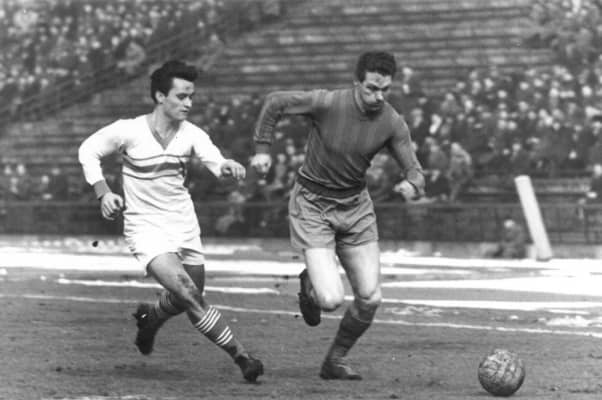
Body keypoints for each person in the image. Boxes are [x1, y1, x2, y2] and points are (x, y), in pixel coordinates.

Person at [78, 60, 263, 383]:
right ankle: (243, 357)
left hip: (183, 223)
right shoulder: (129, 130)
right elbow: (88, 150)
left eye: (191, 97)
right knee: (189, 293)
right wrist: (103, 192)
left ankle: (151, 318)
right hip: (145, 228)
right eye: (181, 96)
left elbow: (215, 160)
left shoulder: (192, 134)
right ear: (160, 96)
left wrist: (227, 167)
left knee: (187, 294)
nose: (188, 103)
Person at [250, 51, 425, 380]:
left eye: (385, 89)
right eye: (372, 88)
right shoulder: (328, 103)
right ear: (357, 82)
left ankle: (335, 360)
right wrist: (262, 150)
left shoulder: (391, 121)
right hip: (313, 204)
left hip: (356, 208)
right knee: (330, 300)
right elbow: (275, 102)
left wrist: (411, 185)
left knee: (370, 298)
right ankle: (310, 283)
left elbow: (416, 172)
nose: (379, 96)